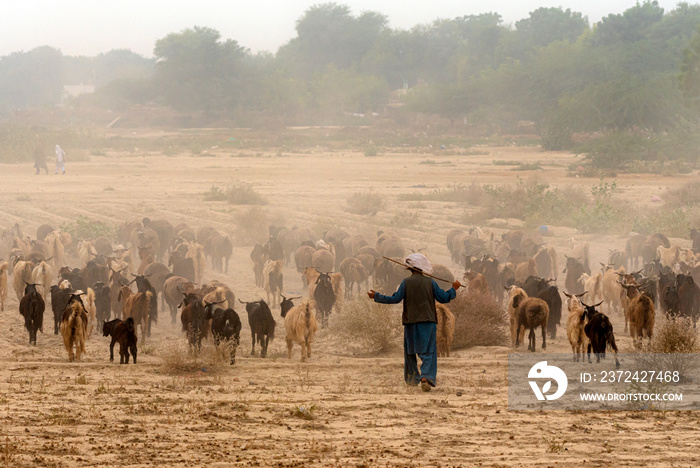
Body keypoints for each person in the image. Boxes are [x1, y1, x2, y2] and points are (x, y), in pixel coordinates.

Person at [368, 253, 461, 392]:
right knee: (428, 351)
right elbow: (443, 297)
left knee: (410, 351)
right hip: (428, 322)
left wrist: (377, 296)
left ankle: (412, 380)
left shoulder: (405, 283)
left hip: (410, 322)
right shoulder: (431, 282)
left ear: (410, 269)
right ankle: (426, 378)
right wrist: (454, 289)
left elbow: (395, 299)